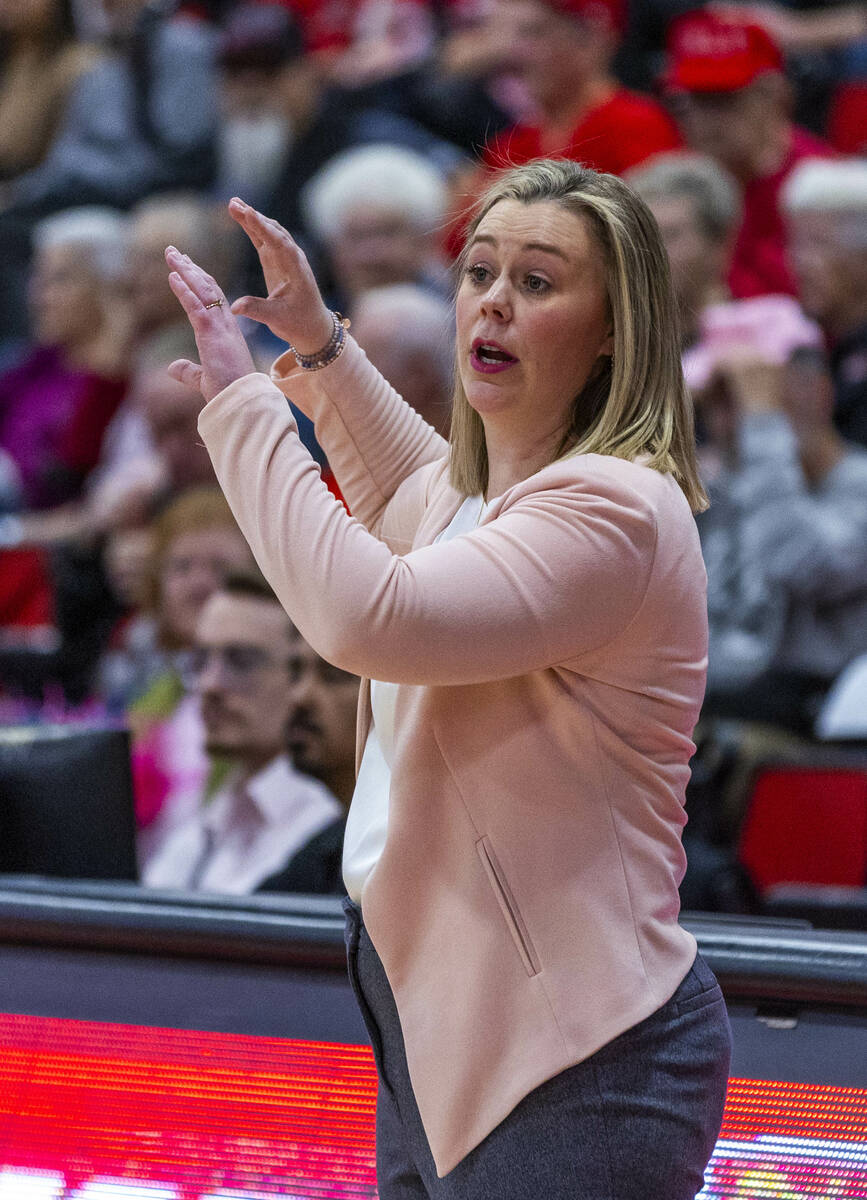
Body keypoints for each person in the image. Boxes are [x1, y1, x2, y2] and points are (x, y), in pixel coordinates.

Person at [164, 160, 731, 1198]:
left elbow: (363, 615)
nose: (495, 300)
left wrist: (245, 408)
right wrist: (318, 344)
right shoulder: (477, 495)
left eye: (538, 281)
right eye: (479, 272)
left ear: (616, 329)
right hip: (439, 1029)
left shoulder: (616, 511)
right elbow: (402, 481)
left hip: (578, 1058)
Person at [142, 571, 342, 893]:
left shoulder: (336, 831)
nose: (209, 684)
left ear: (304, 678)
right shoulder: (210, 819)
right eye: (200, 660)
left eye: (242, 661)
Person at [663, 8, 832, 301]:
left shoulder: (820, 184)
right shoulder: (672, 186)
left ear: (776, 95)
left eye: (722, 99)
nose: (704, 120)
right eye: (693, 100)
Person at [782, 157, 867, 449]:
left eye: (817, 243)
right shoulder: (823, 349)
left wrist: (762, 415)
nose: (798, 262)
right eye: (794, 244)